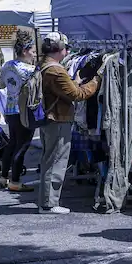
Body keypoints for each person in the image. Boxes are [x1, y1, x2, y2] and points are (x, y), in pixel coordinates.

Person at [39, 32, 101, 214]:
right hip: (58, 119)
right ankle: (49, 204)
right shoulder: (56, 70)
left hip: (49, 119)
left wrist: (77, 80)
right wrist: (96, 80)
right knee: (57, 159)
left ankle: (46, 201)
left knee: (49, 158)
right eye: (65, 48)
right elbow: (77, 95)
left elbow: (66, 89)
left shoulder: (44, 65)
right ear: (59, 49)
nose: (67, 52)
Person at [0, 30, 37, 192]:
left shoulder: (8, 65)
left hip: (10, 109)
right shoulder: (30, 70)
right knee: (22, 145)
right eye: (33, 52)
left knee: (12, 143)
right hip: (24, 111)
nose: (34, 55)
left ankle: (3, 176)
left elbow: (1, 85)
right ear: (25, 51)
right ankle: (15, 181)